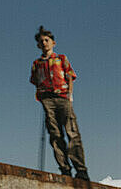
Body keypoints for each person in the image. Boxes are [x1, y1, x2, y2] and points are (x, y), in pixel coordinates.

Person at [30, 26, 89, 181]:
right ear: (38, 45)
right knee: (55, 135)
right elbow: (35, 81)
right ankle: (65, 168)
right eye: (41, 41)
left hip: (63, 97)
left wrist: (70, 95)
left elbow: (70, 76)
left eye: (46, 40)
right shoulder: (36, 63)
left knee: (72, 132)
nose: (44, 43)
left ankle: (81, 169)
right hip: (47, 99)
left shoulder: (61, 58)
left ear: (53, 43)